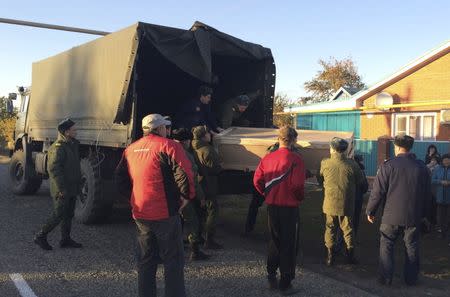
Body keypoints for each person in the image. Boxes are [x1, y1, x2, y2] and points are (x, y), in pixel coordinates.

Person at [115, 114, 195, 297]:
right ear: (158, 129)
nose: (167, 130)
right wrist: (186, 197)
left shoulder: (130, 149)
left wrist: (133, 199)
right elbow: (184, 173)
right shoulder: (169, 146)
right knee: (173, 260)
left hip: (141, 213)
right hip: (165, 212)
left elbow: (119, 180)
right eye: (165, 127)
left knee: (146, 259)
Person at [366, 134, 431, 286]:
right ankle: (411, 279)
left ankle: (386, 277)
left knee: (387, 245)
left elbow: (378, 191)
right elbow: (427, 194)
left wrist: (371, 211)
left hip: (391, 215)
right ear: (411, 147)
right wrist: (425, 215)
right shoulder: (421, 167)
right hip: (413, 215)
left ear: (396, 147)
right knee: (412, 246)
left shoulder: (388, 165)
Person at [253, 126, 305, 295]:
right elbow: (297, 185)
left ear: (279, 139)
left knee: (274, 240)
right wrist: (299, 197)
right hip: (289, 208)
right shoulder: (296, 159)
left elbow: (257, 180)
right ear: (293, 140)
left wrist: (266, 193)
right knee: (289, 243)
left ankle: (271, 275)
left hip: (272, 206)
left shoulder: (267, 158)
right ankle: (286, 282)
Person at [34, 118, 83, 250]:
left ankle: (65, 239)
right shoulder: (58, 147)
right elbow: (54, 169)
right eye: (74, 129)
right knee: (59, 214)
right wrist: (61, 188)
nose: (76, 131)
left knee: (68, 214)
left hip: (72, 187)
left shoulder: (72, 145)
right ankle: (41, 236)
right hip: (62, 188)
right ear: (67, 132)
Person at [318, 137, 363, 266]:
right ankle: (350, 257)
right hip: (347, 203)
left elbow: (320, 179)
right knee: (348, 229)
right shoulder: (352, 165)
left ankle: (330, 257)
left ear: (332, 149)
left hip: (330, 202)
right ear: (346, 150)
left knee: (330, 228)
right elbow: (361, 182)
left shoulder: (325, 163)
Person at [171, 128, 210, 261]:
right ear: (186, 141)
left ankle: (174, 248)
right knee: (193, 221)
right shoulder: (185, 155)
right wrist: (201, 196)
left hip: (169, 193)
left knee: (175, 221)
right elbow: (192, 177)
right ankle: (195, 251)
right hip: (184, 193)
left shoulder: (166, 150)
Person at [191, 125, 224, 249]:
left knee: (199, 212)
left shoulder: (192, 147)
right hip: (208, 185)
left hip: (198, 185)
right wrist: (221, 166)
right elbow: (215, 169)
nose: (210, 135)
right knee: (212, 211)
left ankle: (198, 236)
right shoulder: (208, 150)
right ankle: (209, 239)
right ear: (204, 136)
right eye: (208, 133)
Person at [431, 153, 450, 245]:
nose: (446, 161)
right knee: (440, 217)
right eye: (445, 160)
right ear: (442, 161)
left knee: (448, 217)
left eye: (448, 160)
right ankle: (441, 232)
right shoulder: (437, 169)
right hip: (440, 197)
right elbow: (433, 180)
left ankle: (447, 233)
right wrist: (441, 181)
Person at [353, 154, 369, 236]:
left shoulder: (348, 167)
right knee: (355, 219)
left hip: (347, 197)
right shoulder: (360, 170)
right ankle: (352, 238)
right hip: (357, 197)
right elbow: (364, 186)